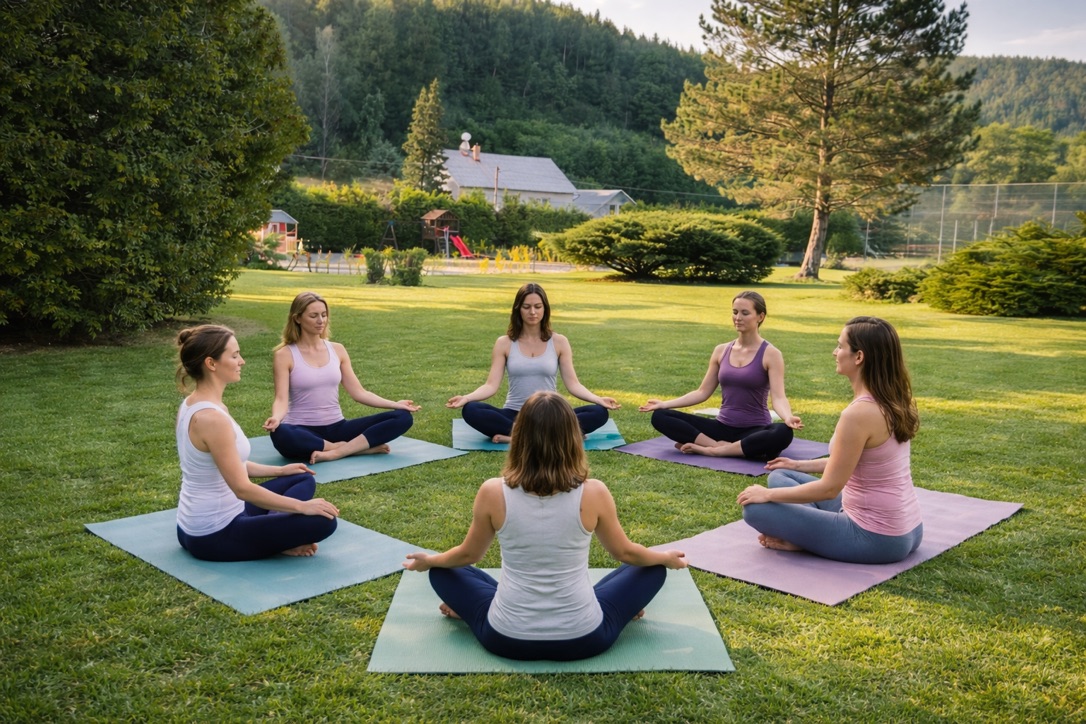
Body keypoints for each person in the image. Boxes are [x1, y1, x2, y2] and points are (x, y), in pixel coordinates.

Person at [404, 391, 687, 661]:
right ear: (573, 437)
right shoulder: (594, 492)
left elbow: (468, 555)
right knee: (650, 567)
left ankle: (469, 610)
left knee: (444, 570)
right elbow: (626, 553)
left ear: (519, 435)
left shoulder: (492, 491)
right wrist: (665, 558)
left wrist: (430, 561)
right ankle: (623, 610)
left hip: (505, 638)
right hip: (585, 638)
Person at [736, 316, 923, 564]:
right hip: (910, 528)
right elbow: (854, 462)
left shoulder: (858, 414)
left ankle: (807, 540)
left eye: (840, 346)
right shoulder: (893, 400)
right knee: (781, 476)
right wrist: (797, 465)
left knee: (755, 508)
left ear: (859, 357)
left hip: (876, 538)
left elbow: (829, 489)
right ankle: (816, 534)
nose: (835, 352)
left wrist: (767, 496)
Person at [174, 324, 339, 562]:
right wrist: (302, 507)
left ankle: (272, 532)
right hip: (214, 535)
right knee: (324, 521)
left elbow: (232, 464)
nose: (242, 361)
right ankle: (277, 538)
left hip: (195, 524)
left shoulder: (194, 404)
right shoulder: (211, 419)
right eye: (234, 356)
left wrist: (280, 471)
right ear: (211, 363)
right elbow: (242, 489)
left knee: (302, 478)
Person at [446, 283, 619, 444]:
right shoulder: (504, 343)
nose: (533, 312)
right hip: (515, 415)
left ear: (545, 309)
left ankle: (517, 438)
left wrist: (598, 399)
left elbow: (573, 384)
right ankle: (558, 435)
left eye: (538, 306)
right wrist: (466, 398)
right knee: (471, 409)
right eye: (526, 307)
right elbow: (491, 385)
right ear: (518, 309)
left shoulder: (559, 342)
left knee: (598, 412)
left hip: (551, 413)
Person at [638, 291, 802, 461]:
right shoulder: (721, 350)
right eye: (735, 312)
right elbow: (702, 392)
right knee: (661, 416)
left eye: (745, 313)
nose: (738, 318)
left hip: (754, 430)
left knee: (782, 432)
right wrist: (664, 404)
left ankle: (713, 450)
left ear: (760, 317)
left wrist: (787, 417)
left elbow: (779, 397)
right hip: (721, 428)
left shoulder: (771, 354)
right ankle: (716, 446)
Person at [263, 291, 420, 464]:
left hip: (338, 427)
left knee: (402, 417)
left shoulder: (337, 350)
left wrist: (395, 404)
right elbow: (281, 399)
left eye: (324, 315)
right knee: (280, 433)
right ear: (297, 318)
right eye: (313, 316)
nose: (321, 321)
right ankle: (352, 448)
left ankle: (337, 452)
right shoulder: (284, 355)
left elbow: (359, 393)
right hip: (302, 430)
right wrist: (276, 417)